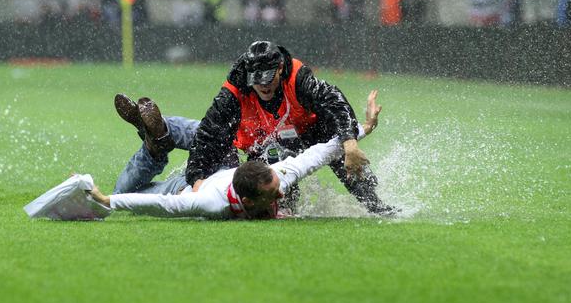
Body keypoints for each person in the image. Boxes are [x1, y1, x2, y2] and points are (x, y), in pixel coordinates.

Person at [184, 41, 395, 215]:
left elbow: (333, 100)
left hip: (312, 129)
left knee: (348, 159)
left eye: (268, 78)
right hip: (263, 141)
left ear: (280, 69)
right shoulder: (234, 90)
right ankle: (283, 209)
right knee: (265, 181)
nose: (263, 86)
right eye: (257, 81)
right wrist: (196, 179)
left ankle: (378, 206)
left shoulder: (297, 76)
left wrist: (350, 143)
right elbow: (207, 134)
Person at [101, 90, 383, 219]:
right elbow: (163, 206)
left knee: (210, 134)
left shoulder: (279, 176)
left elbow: (322, 152)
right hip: (190, 186)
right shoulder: (209, 203)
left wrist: (363, 129)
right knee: (122, 190)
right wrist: (107, 201)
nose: (282, 193)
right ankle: (155, 144)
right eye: (274, 194)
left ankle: (159, 139)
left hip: (228, 160)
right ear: (247, 201)